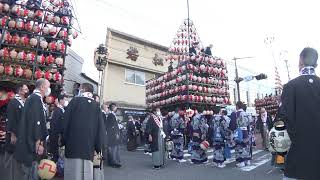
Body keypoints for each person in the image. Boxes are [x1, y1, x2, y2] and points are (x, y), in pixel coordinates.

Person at [280, 47, 320, 180]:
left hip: (299, 153)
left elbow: (284, 117)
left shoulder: (290, 86)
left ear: (300, 61)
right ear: (316, 64)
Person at [62, 83, 104, 180]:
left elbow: (65, 123)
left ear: (83, 89)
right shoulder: (96, 106)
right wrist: (98, 147)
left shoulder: (74, 102)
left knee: (72, 174)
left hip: (73, 147)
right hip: (88, 149)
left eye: (79, 88)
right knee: (86, 174)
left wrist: (63, 141)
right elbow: (100, 129)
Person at [15, 79, 51, 180]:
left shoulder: (34, 98)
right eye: (48, 87)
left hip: (29, 141)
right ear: (42, 87)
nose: (49, 90)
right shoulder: (35, 99)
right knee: (30, 173)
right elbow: (36, 122)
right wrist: (38, 142)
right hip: (31, 143)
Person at [4, 83, 29, 180]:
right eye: (25, 89)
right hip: (14, 135)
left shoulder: (25, 102)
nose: (27, 91)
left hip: (22, 135)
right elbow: (11, 119)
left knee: (18, 161)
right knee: (11, 161)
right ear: (20, 91)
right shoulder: (14, 102)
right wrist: (12, 135)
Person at [49, 94, 68, 163]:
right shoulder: (57, 111)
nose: (66, 101)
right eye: (65, 100)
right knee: (55, 157)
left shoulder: (63, 110)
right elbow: (55, 126)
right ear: (60, 100)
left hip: (60, 138)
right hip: (57, 138)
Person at [234, 101, 252, 168]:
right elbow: (250, 123)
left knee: (239, 146)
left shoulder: (236, 114)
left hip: (239, 131)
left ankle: (241, 162)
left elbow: (233, 124)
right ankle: (248, 161)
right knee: (246, 145)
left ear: (237, 106)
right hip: (246, 131)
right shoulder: (247, 114)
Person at [105, 103, 121, 168]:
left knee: (112, 148)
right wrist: (116, 133)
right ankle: (114, 162)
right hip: (112, 135)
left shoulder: (111, 115)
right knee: (113, 149)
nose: (116, 108)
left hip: (111, 134)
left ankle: (112, 162)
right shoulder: (111, 115)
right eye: (116, 107)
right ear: (113, 107)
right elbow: (112, 126)